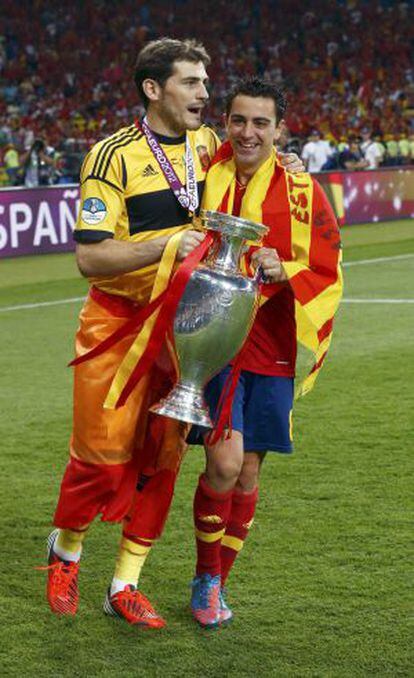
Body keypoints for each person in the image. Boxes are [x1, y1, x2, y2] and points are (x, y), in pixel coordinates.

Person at [43, 38, 303, 629]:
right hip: (116, 326)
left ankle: (124, 584)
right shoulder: (111, 156)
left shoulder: (209, 145)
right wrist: (166, 244)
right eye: (192, 83)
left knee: (161, 461)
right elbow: (91, 259)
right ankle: (66, 552)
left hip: (183, 329)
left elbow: (256, 158)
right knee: (103, 455)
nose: (205, 94)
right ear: (154, 89)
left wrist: (285, 161)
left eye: (207, 83)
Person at [187, 77, 343, 628]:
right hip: (215, 340)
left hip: (272, 343)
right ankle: (206, 577)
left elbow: (328, 265)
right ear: (224, 123)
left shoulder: (302, 191)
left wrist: (288, 268)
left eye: (261, 123)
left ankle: (215, 582)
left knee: (249, 473)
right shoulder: (206, 170)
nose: (248, 132)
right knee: (225, 463)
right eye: (238, 120)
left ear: (280, 128)